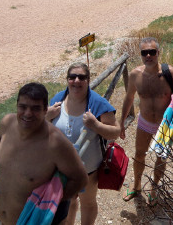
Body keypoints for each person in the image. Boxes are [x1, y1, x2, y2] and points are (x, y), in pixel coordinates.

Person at [0, 82, 87, 225]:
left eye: (35, 108)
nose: (28, 113)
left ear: (45, 110)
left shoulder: (55, 143)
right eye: (23, 107)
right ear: (17, 106)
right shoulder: (7, 123)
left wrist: (50, 203)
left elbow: (80, 179)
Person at [120, 37, 173, 206]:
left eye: (152, 52)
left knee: (161, 157)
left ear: (158, 53)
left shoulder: (171, 73)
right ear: (141, 55)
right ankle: (137, 186)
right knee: (139, 155)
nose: (148, 56)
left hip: (164, 125)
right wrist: (121, 122)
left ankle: (154, 187)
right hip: (144, 123)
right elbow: (129, 97)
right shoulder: (135, 75)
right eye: (144, 52)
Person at [46, 63, 120, 225]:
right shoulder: (57, 100)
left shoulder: (98, 104)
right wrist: (46, 116)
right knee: (69, 201)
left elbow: (116, 131)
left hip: (88, 171)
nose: (76, 80)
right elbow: (43, 131)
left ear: (88, 80)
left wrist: (96, 125)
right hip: (62, 170)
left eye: (81, 77)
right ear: (67, 80)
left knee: (87, 203)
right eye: (72, 77)